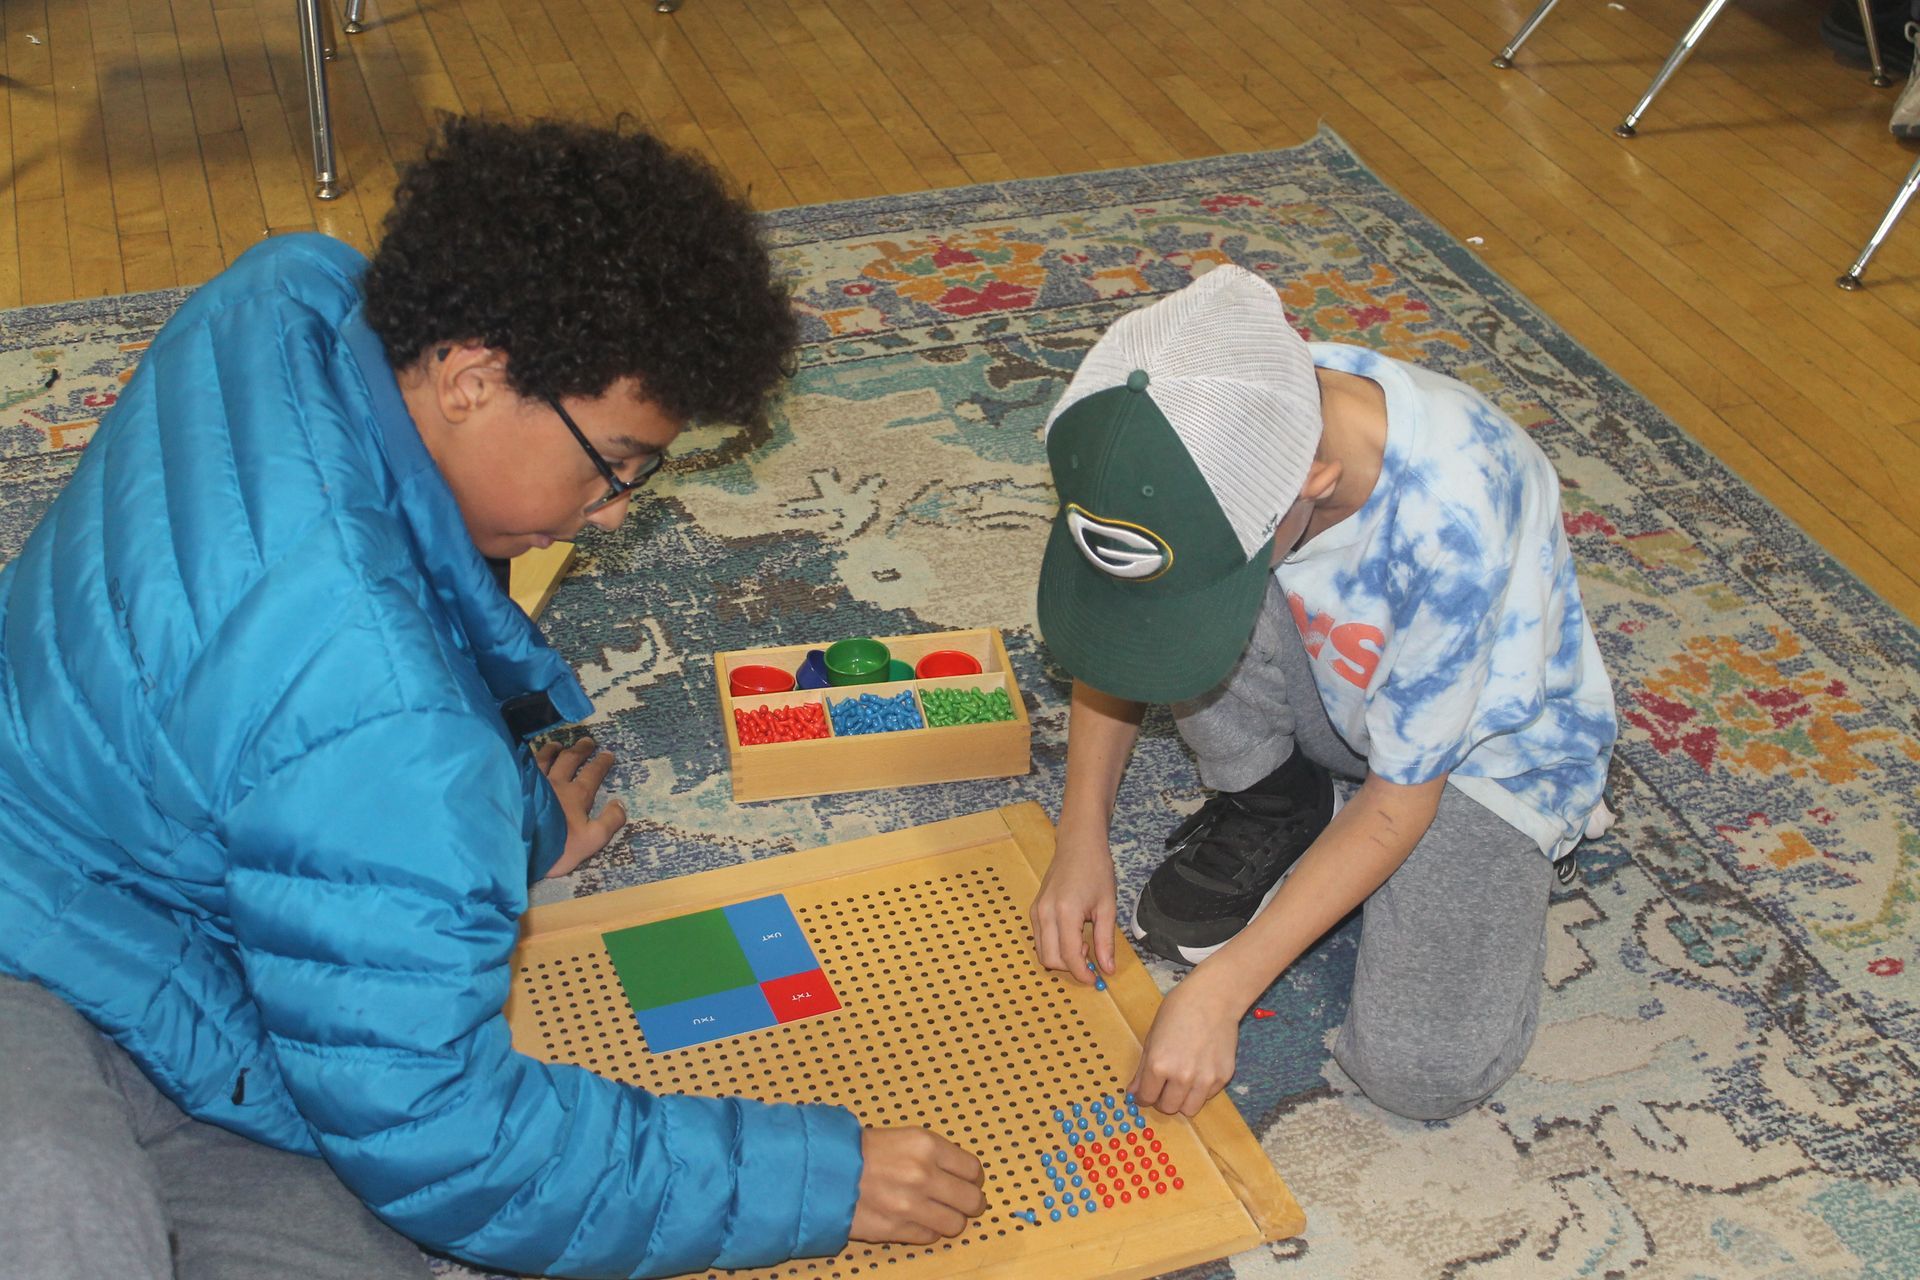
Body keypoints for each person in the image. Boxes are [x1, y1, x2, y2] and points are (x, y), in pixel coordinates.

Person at [0, 118, 983, 1280]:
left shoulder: (291, 292)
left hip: (144, 935)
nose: (616, 509)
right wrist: (812, 1176)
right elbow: (453, 1139)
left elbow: (392, 630)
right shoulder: (393, 723)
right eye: (613, 461)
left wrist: (516, 818)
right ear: (470, 378)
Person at [1028, 265, 1617, 1123]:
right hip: (1338, 688)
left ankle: (1512, 851)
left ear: (1312, 483)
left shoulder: (1458, 522)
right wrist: (1080, 837)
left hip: (1474, 763)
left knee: (1419, 1074)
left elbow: (1399, 803)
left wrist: (1223, 990)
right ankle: (1285, 801)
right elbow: (1124, 618)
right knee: (1176, 611)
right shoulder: (1214, 400)